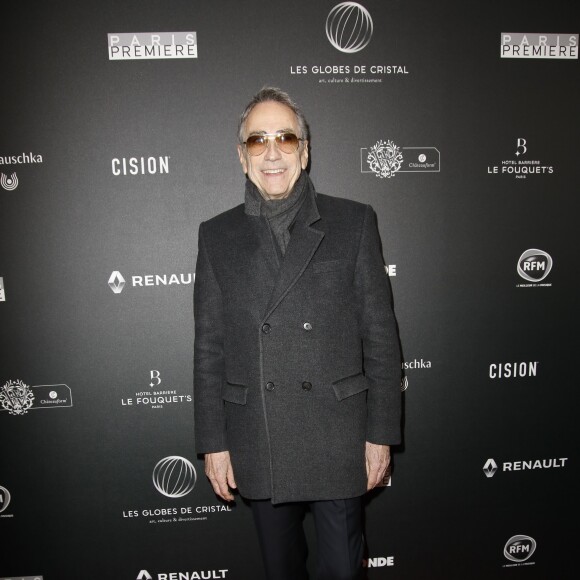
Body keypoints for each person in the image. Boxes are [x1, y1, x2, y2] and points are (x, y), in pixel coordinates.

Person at [194, 87, 401, 580]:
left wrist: (380, 435)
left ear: (304, 152)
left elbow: (381, 337)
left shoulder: (353, 221)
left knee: (342, 571)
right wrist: (213, 442)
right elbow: (209, 348)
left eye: (285, 138)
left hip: (338, 436)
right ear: (241, 157)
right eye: (257, 140)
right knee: (281, 571)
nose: (271, 152)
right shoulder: (216, 235)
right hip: (259, 437)